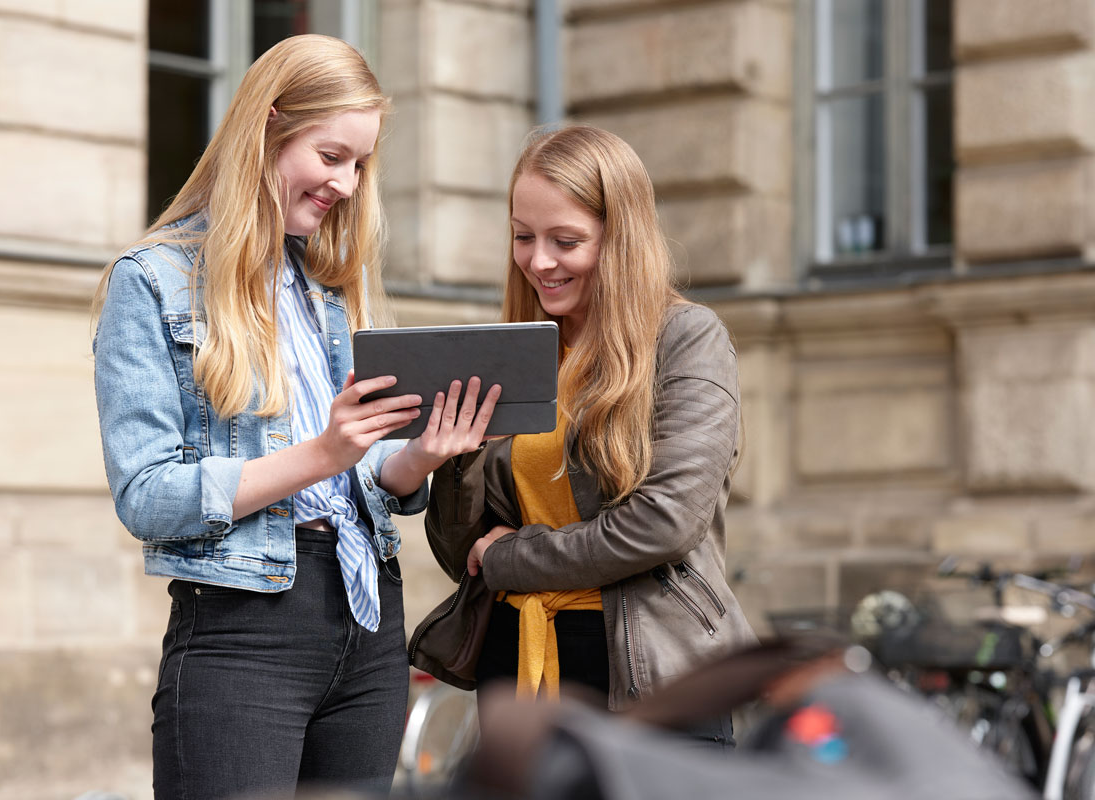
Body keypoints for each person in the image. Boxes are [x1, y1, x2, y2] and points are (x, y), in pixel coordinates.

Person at [92, 35, 497, 799]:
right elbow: (145, 496)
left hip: (369, 618)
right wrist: (325, 452)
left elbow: (359, 475)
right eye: (332, 155)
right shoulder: (150, 282)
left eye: (360, 166)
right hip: (244, 630)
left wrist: (416, 459)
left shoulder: (328, 289)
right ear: (269, 127)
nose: (346, 183)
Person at [409, 125, 758, 748]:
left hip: (652, 675)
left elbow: (663, 523)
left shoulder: (687, 339)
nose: (538, 261)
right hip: (517, 668)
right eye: (523, 236)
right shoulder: (510, 353)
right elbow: (461, 550)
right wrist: (447, 460)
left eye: (565, 241)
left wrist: (509, 558)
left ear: (619, 239)